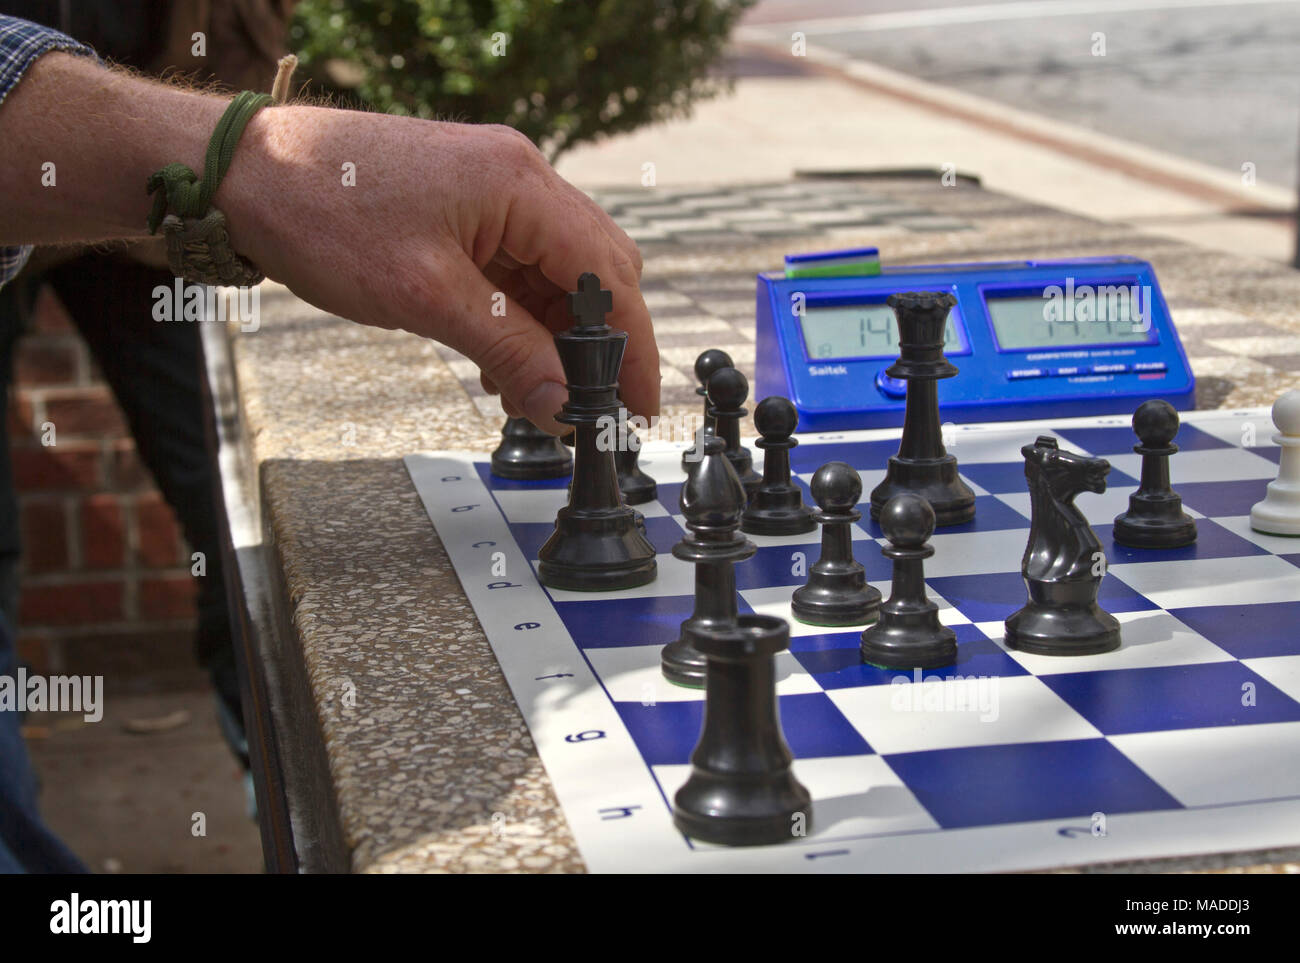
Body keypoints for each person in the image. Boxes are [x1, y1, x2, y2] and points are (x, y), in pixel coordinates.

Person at [0, 14, 659, 871]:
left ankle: (278, 803)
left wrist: (245, 161)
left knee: (220, 514)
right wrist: (251, 157)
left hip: (159, 233)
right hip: (128, 187)